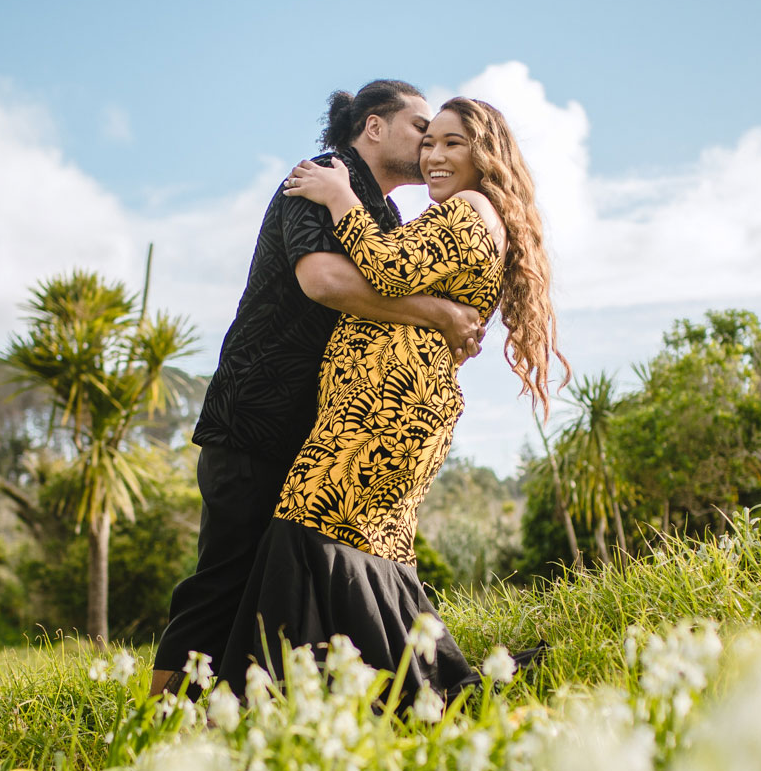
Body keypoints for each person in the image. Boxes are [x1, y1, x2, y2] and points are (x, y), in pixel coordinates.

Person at [149, 81, 487, 695]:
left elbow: (389, 280)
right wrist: (437, 313)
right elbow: (323, 279)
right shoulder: (319, 178)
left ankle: (251, 711)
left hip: (321, 426)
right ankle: (158, 722)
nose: (430, 142)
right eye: (420, 127)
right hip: (256, 412)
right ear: (375, 127)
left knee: (278, 581)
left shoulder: (382, 214)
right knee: (223, 576)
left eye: (443, 136)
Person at [224, 97, 564, 700]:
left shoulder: (469, 209)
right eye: (428, 142)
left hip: (386, 404)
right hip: (387, 401)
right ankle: (408, 689)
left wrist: (339, 198)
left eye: (452, 143)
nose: (433, 155)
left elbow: (389, 269)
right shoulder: (468, 212)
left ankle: (296, 695)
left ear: (485, 153)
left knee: (313, 526)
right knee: (363, 543)